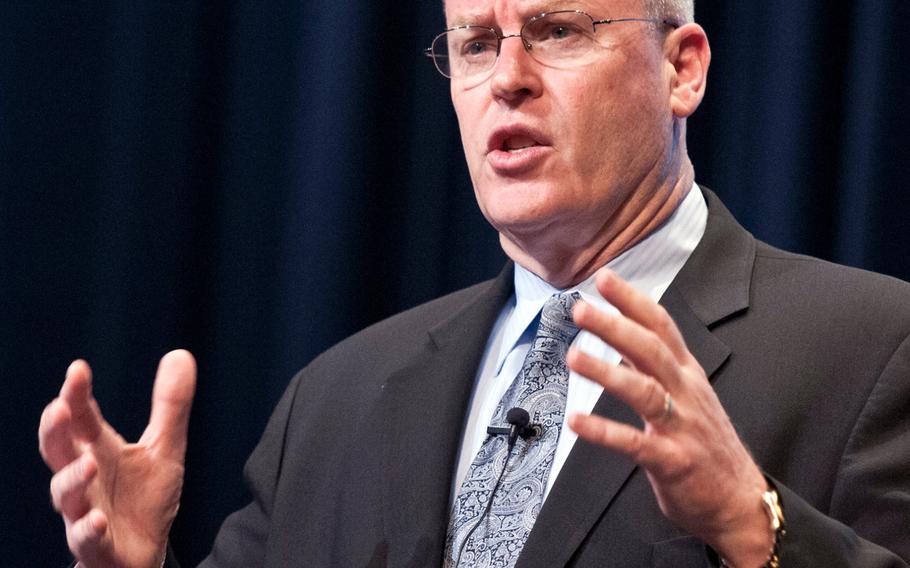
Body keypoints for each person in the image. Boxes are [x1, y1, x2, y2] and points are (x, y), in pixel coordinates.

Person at [39, 0, 910, 566]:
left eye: (558, 31)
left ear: (681, 68)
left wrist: (756, 527)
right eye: (476, 44)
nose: (508, 79)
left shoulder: (873, 347)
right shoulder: (337, 400)